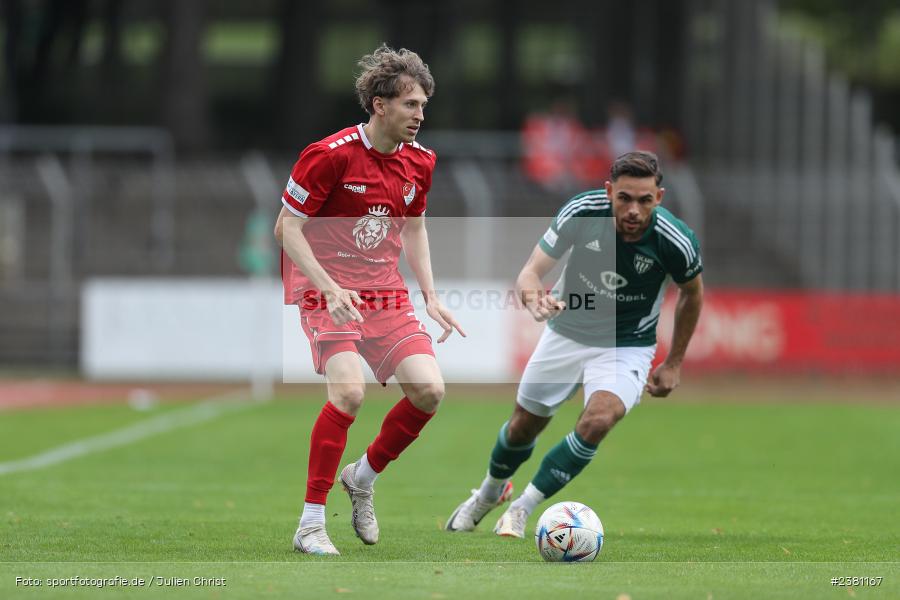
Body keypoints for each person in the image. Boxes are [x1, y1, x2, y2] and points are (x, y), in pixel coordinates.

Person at [446, 151, 703, 537]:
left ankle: (522, 508)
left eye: (645, 200)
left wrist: (674, 362)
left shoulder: (675, 239)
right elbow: (530, 273)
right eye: (625, 198)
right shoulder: (582, 212)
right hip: (566, 333)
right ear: (608, 191)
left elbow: (692, 294)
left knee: (599, 419)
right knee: (522, 428)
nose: (634, 210)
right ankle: (488, 493)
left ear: (660, 197)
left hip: (626, 344)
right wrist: (534, 298)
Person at [274, 44, 464, 556]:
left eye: (423, 106)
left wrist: (431, 296)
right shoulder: (329, 156)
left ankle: (363, 477)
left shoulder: (420, 162)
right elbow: (286, 228)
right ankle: (311, 523)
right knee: (350, 393)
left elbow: (416, 228)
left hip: (383, 290)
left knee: (429, 391)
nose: (420, 116)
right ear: (380, 105)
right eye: (410, 105)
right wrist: (329, 287)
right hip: (324, 287)